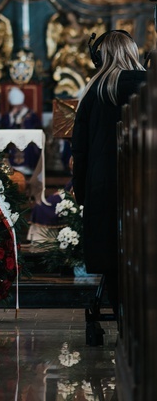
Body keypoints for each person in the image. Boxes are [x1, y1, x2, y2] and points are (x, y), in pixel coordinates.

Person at [72, 31, 146, 314]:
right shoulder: (149, 86)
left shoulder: (94, 90)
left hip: (104, 187)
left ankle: (120, 313)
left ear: (100, 56)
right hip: (145, 187)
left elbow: (80, 149)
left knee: (113, 257)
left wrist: (81, 191)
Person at [0, 86, 42, 176]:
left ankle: (28, 167)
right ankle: (10, 167)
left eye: (18, 106)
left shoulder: (30, 114)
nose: (17, 108)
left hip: (27, 141)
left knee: (29, 146)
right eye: (15, 106)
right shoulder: (8, 115)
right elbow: (4, 127)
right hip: (12, 141)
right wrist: (11, 117)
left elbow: (36, 127)